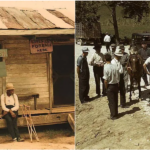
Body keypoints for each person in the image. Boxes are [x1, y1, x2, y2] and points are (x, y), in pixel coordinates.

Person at [103, 53, 120, 120]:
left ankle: (113, 115)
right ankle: (116, 113)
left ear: (105, 59)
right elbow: (118, 76)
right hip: (116, 84)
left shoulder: (106, 67)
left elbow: (105, 80)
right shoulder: (115, 66)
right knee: (115, 100)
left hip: (110, 85)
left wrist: (106, 87)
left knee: (111, 101)